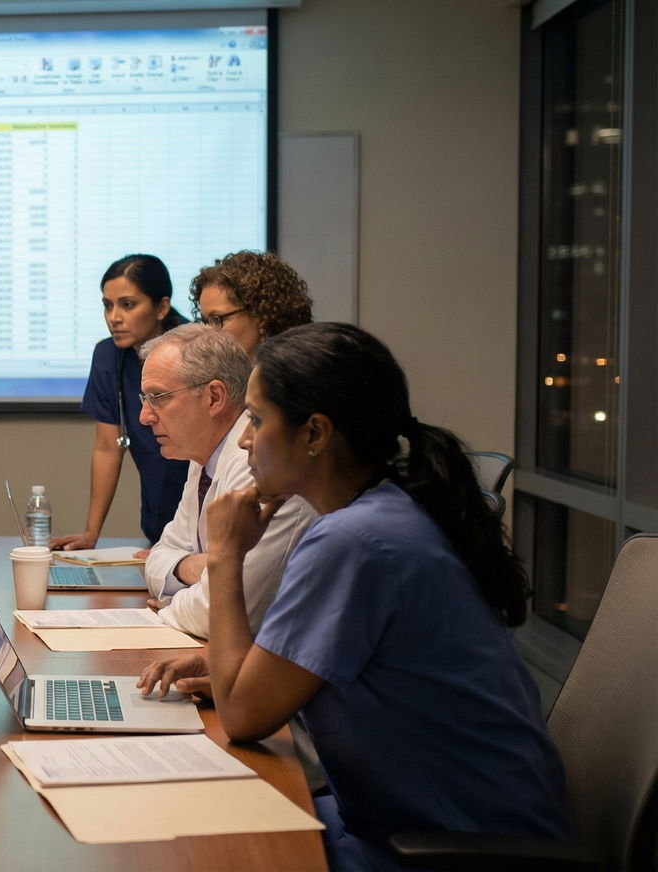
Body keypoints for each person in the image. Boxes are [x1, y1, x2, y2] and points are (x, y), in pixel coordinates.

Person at [138, 323, 572, 871]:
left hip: (445, 847)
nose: (245, 440)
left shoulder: (352, 541)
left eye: (258, 419)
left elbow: (245, 716)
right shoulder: (379, 513)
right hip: (421, 819)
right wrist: (231, 663)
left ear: (314, 434)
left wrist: (226, 560)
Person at [135, 324, 315, 639]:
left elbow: (223, 611)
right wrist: (192, 567)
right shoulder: (202, 455)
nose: (144, 416)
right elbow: (159, 558)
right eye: (144, 398)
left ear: (214, 397)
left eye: (157, 398)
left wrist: (173, 604)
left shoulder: (261, 464)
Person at [55, 254, 191, 548]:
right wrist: (91, 534)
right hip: (158, 524)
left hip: (204, 520)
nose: (114, 317)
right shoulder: (108, 357)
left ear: (161, 307)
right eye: (108, 305)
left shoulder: (195, 351)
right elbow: (107, 447)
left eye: (128, 305)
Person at [190, 250, 313, 357]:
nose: (207, 335)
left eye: (216, 319)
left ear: (261, 313)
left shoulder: (302, 378)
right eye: (205, 322)